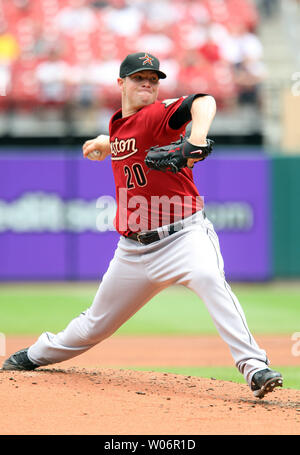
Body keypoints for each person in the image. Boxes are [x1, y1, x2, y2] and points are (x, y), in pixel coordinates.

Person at [2, 52, 283, 399]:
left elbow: (204, 101)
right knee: (94, 324)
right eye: (139, 78)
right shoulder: (119, 124)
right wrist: (107, 143)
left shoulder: (156, 115)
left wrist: (196, 139)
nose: (147, 83)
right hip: (133, 251)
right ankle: (33, 355)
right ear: (121, 84)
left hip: (185, 237)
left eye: (153, 78)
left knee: (211, 279)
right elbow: (125, 136)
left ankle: (255, 367)